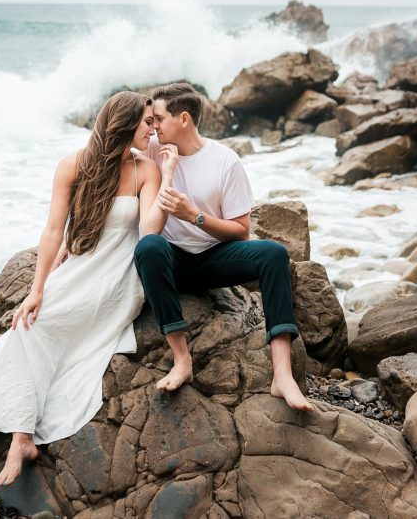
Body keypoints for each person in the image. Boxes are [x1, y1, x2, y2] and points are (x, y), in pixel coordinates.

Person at [0, 91, 174, 485]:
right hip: (77, 270)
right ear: (125, 122)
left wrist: (169, 176)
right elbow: (53, 230)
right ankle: (16, 436)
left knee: (34, 332)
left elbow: (150, 232)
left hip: (118, 279)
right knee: (25, 326)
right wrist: (37, 288)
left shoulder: (147, 169)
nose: (154, 129)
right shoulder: (73, 166)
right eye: (147, 122)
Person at [133, 82, 313, 412]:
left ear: (183, 118)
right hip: (170, 259)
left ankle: (282, 375)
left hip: (213, 259)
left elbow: (241, 231)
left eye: (158, 118)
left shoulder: (224, 161)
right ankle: (181, 359)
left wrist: (195, 216)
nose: (153, 126)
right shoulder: (151, 150)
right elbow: (108, 149)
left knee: (274, 254)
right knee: (148, 248)